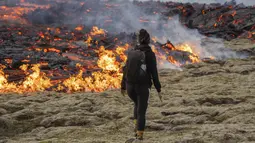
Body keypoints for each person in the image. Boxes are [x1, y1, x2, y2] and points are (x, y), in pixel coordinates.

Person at [121, 29, 161, 141]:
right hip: (142, 87)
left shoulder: (132, 52)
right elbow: (154, 73)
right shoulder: (150, 54)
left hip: (130, 86)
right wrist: (158, 89)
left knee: (136, 104)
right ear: (148, 40)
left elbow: (125, 69)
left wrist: (123, 86)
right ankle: (139, 136)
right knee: (141, 111)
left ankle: (136, 126)